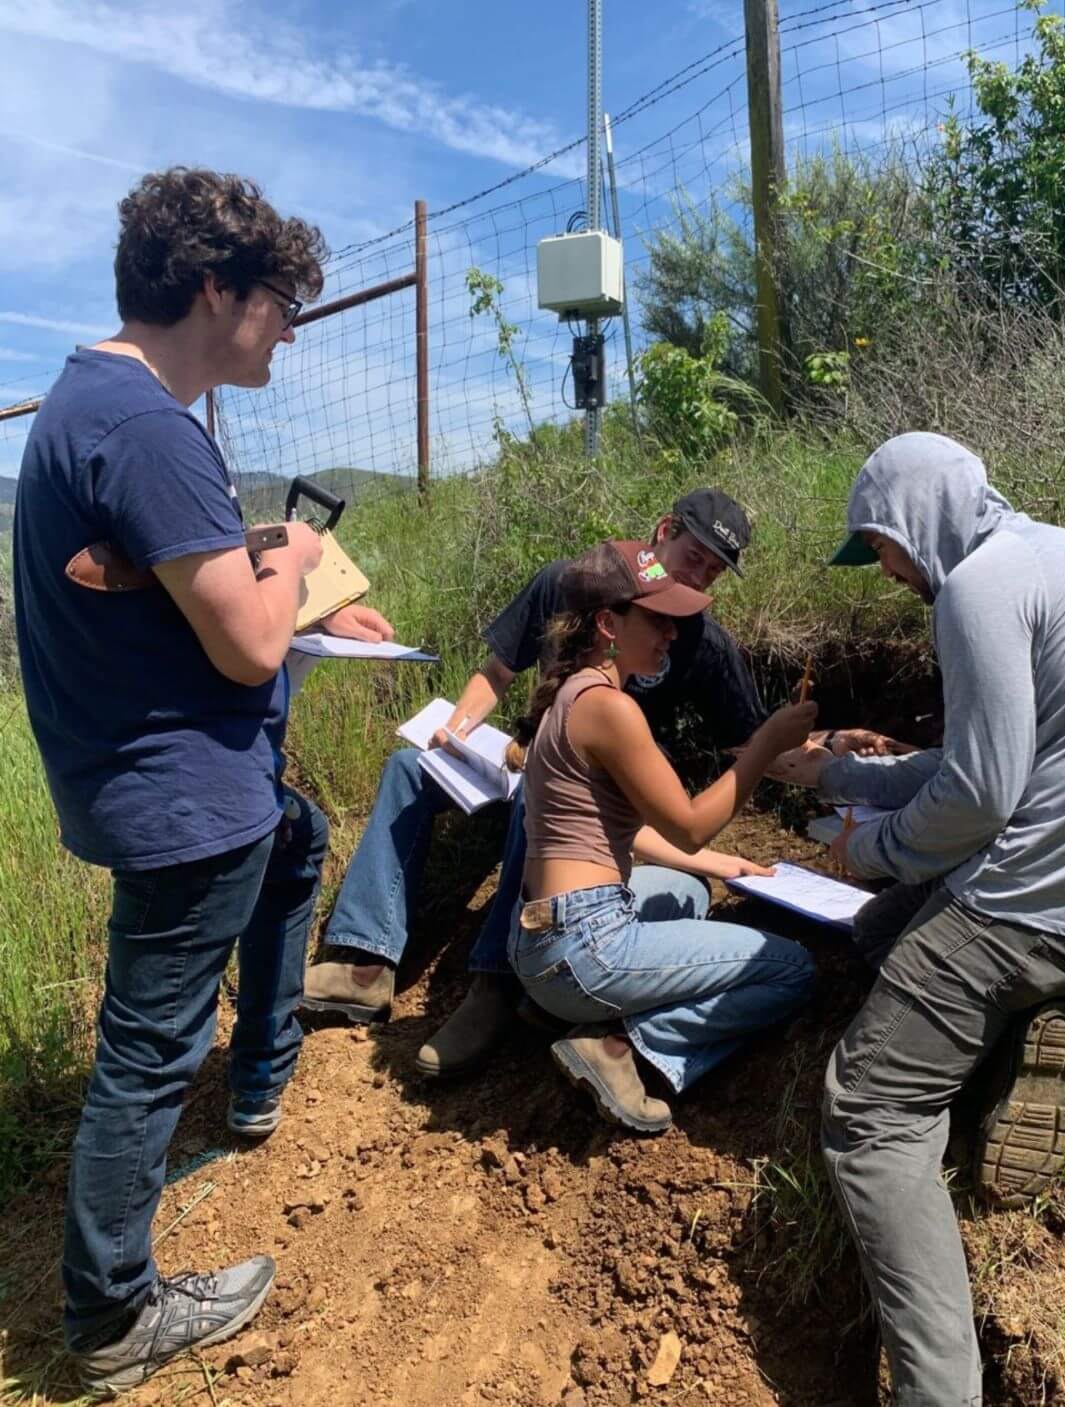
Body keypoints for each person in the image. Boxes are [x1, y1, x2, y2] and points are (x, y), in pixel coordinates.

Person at [9, 167, 396, 1393]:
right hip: (182, 798)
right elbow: (250, 643)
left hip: (182, 783)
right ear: (216, 289)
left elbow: (186, 583)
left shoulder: (89, 407)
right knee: (146, 1049)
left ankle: (261, 1082)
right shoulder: (149, 429)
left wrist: (264, 558)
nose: (291, 326)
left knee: (301, 839)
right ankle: (114, 1313)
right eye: (284, 301)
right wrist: (307, 560)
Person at [766, 432, 1065, 1404]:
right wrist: (838, 775)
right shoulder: (1043, 563)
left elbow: (975, 797)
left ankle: (941, 1393)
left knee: (874, 1112)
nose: (884, 574)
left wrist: (862, 848)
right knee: (882, 934)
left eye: (878, 549)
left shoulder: (975, 590)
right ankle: (1034, 1026)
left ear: (910, 525)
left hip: (1055, 900)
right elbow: (983, 761)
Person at [299, 489, 770, 1080]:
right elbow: (497, 671)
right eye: (693, 554)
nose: (698, 575)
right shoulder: (570, 583)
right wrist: (456, 729)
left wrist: (831, 750)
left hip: (591, 804)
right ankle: (366, 960)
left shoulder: (702, 642)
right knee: (408, 770)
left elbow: (751, 745)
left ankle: (493, 985)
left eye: (712, 570)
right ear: (663, 530)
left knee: (534, 792)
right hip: (524, 759)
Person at [508, 542, 821, 1132]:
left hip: (539, 939)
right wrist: (765, 744)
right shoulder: (611, 710)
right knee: (793, 970)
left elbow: (620, 835)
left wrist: (723, 865)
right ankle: (626, 1045)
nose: (672, 634)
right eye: (657, 619)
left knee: (688, 889)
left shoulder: (567, 695)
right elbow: (690, 823)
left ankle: (556, 1009)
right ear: (608, 624)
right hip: (586, 947)